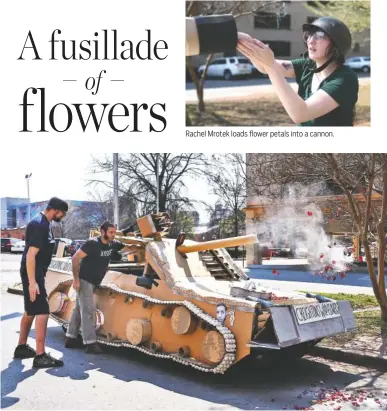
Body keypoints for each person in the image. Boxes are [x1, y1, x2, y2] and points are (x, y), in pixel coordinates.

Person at [237, 17, 359, 126]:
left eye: (320, 36)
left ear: (336, 46)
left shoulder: (345, 79)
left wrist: (270, 67)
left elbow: (300, 114)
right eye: (309, 35)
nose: (310, 41)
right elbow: (267, 66)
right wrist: (244, 42)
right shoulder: (308, 65)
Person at [13, 197, 68, 368]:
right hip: (33, 273)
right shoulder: (40, 225)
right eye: (63, 213)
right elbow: (30, 255)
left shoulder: (44, 222)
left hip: (35, 272)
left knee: (31, 310)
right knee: (42, 311)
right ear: (56, 210)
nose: (62, 217)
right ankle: (40, 356)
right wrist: (32, 282)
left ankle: (21, 347)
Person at [64, 221, 126, 353]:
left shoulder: (111, 244)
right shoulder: (92, 244)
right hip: (85, 280)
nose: (113, 235)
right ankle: (90, 343)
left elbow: (124, 245)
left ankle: (70, 337)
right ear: (102, 232)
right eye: (110, 232)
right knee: (88, 312)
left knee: (79, 309)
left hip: (95, 281)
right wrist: (76, 280)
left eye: (114, 232)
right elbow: (75, 258)